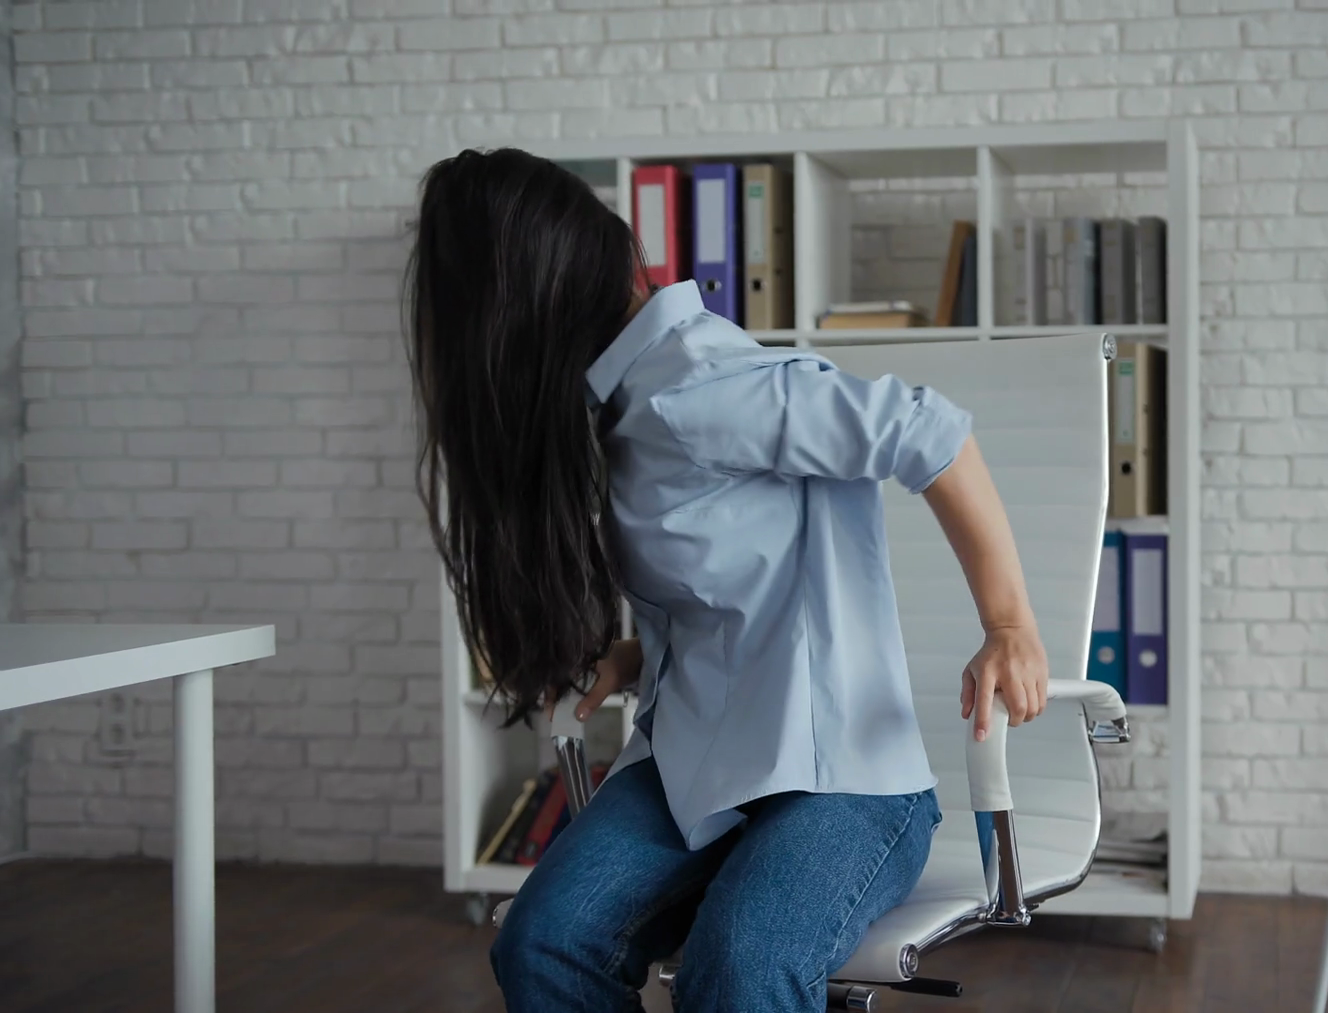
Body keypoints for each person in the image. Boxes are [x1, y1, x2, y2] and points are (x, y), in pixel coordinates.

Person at [405, 146, 1049, 1013]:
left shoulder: (702, 386)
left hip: (842, 784)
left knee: (739, 967)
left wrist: (1008, 621)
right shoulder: (622, 411)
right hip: (699, 772)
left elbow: (927, 431)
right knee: (545, 940)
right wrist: (642, 653)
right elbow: (734, 571)